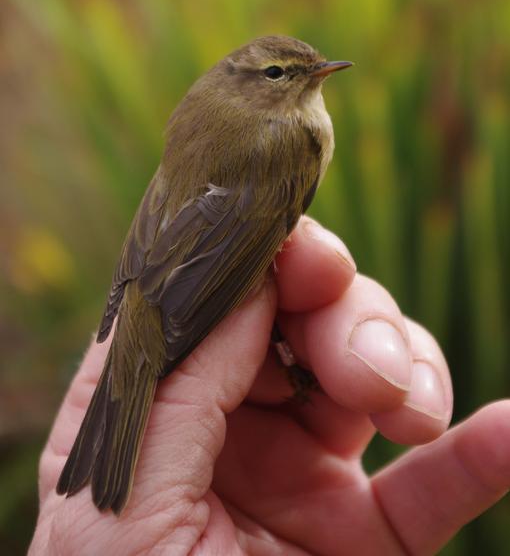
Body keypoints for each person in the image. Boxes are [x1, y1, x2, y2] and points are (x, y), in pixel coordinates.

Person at [29, 217, 510, 555]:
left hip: (148, 267)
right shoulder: (291, 139)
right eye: (280, 73)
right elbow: (241, 260)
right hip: (194, 282)